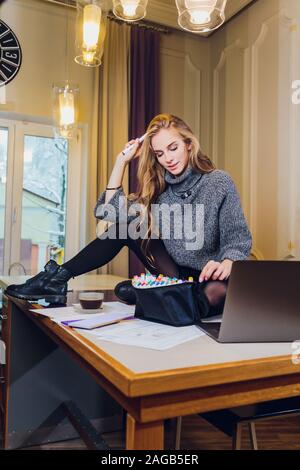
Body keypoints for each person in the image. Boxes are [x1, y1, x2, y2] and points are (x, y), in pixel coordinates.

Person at [5, 114, 252, 316]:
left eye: (173, 148)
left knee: (217, 293)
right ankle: (55, 279)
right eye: (160, 153)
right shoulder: (159, 188)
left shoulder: (218, 182)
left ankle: (154, 294)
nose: (168, 158)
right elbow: (108, 213)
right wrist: (121, 162)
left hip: (209, 277)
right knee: (126, 225)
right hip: (174, 273)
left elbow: (238, 238)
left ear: (189, 144)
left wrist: (227, 262)